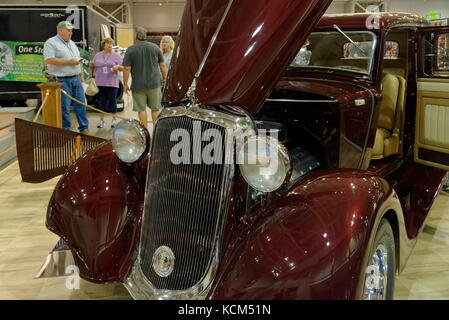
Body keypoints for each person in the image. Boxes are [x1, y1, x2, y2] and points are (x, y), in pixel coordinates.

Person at [43, 21, 90, 134]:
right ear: (60, 31)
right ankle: (66, 132)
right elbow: (49, 59)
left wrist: (80, 75)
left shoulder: (72, 43)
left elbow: (77, 60)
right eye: (68, 30)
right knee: (64, 107)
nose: (71, 33)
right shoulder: (51, 42)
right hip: (61, 80)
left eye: (71, 31)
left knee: (81, 104)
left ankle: (84, 128)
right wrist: (68, 62)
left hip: (76, 79)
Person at [123, 26, 167, 127]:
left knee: (141, 110)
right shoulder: (155, 47)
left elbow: (126, 69)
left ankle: (145, 133)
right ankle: (156, 133)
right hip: (155, 84)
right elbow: (163, 65)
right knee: (155, 110)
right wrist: (165, 79)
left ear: (136, 36)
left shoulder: (131, 49)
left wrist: (125, 84)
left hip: (138, 86)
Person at [89, 37, 124, 129]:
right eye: (108, 43)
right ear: (103, 45)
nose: (110, 45)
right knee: (102, 102)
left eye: (111, 44)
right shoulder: (98, 55)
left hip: (112, 83)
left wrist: (117, 67)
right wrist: (91, 65)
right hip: (100, 82)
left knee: (113, 101)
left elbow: (123, 67)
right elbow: (93, 65)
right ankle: (101, 120)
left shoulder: (116, 56)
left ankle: (114, 120)